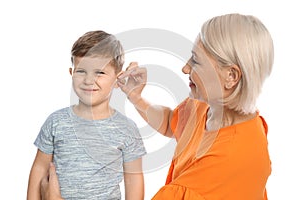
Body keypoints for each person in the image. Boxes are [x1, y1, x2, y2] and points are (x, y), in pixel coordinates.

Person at [41, 13, 274, 200]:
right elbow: (172, 122)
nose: (185, 68)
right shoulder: (205, 107)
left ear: (230, 76)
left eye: (196, 61)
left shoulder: (232, 157)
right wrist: (136, 97)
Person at [27, 30, 146, 200]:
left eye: (100, 72)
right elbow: (39, 168)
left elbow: (133, 178)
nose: (89, 80)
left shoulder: (127, 129)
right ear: (71, 73)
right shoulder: (56, 122)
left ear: (118, 79)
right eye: (81, 71)